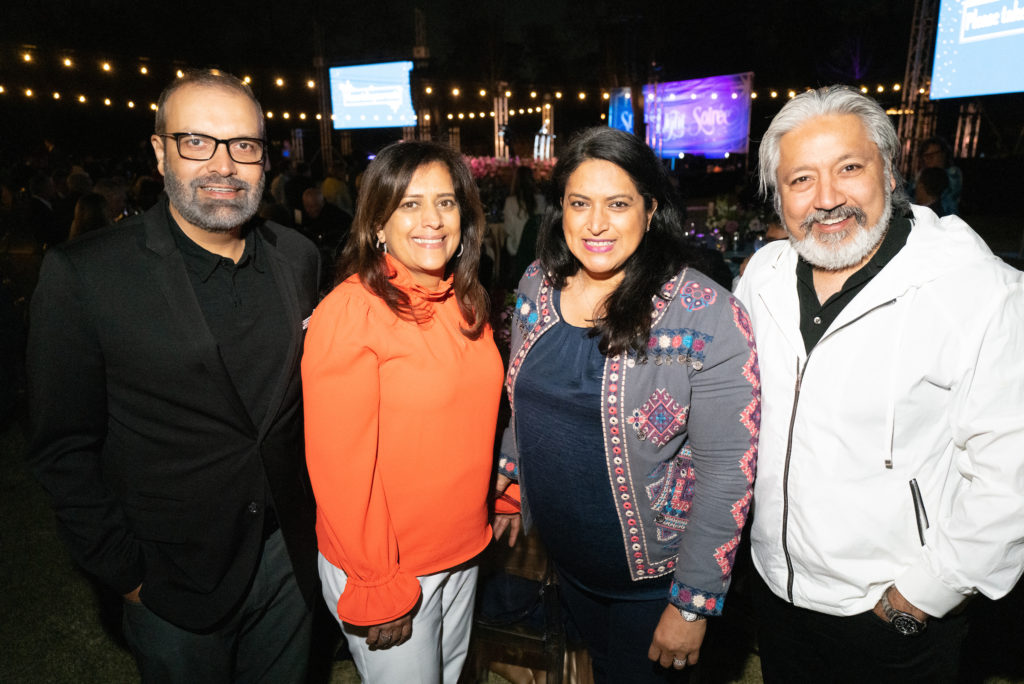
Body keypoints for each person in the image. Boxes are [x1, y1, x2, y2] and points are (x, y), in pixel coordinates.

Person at [27, 69, 321, 683]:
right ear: (160, 151)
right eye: (197, 141)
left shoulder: (297, 258)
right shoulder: (86, 274)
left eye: (244, 145)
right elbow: (63, 446)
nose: (224, 164)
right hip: (171, 576)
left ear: (264, 159)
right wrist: (127, 573)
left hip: (288, 559)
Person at [734, 86, 1024, 683]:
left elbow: (1010, 469)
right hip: (776, 593)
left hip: (891, 616)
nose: (828, 199)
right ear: (779, 197)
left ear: (889, 172)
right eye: (801, 181)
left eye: (849, 168)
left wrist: (925, 594)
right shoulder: (762, 277)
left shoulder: (974, 290)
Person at [496, 127, 760, 683]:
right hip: (568, 563)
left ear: (651, 209)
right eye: (579, 203)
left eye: (618, 204)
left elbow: (726, 474)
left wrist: (692, 602)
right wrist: (512, 479)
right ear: (560, 209)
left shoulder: (706, 314)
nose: (596, 224)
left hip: (655, 586)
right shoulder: (537, 285)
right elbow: (523, 399)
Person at [302, 140, 503, 683]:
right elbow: (340, 467)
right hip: (391, 568)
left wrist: (501, 492)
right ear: (376, 225)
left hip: (461, 548)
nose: (432, 220)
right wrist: (375, 582)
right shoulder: (350, 312)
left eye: (445, 201)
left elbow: (476, 417)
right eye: (410, 204)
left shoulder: (465, 301)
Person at [502, 164, 547, 282]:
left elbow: (508, 230)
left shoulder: (510, 202)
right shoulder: (541, 200)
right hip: (538, 253)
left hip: (517, 253)